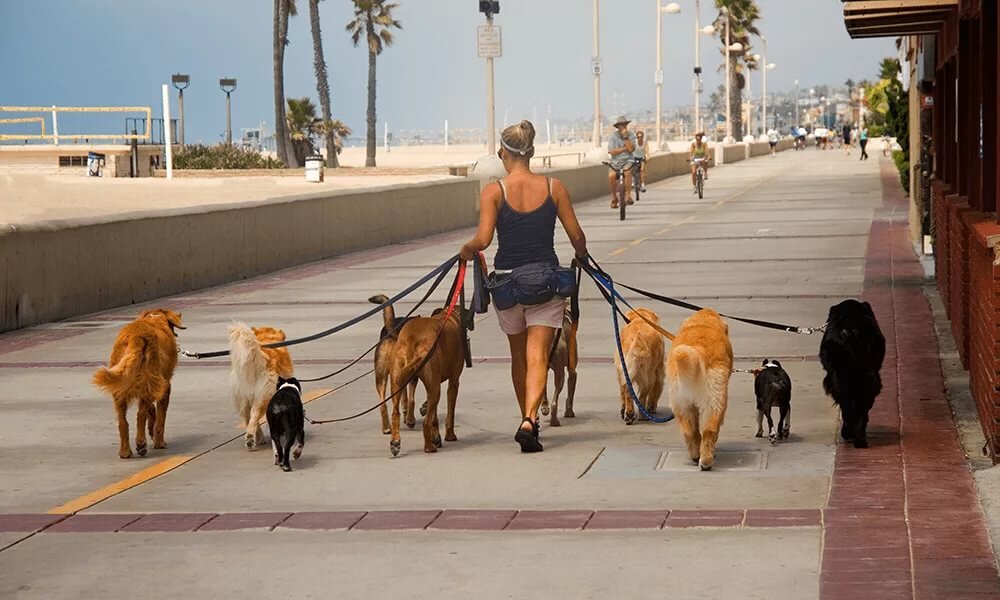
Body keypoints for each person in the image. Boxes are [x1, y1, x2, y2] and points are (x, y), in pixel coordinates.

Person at [459, 120, 588, 453]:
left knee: (518, 356)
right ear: (531, 152)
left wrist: (467, 249)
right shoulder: (554, 187)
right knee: (537, 356)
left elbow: (484, 239)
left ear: (504, 153)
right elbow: (576, 236)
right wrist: (583, 256)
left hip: (507, 285)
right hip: (545, 281)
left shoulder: (494, 191)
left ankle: (526, 418)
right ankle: (531, 419)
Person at [607, 115, 637, 208]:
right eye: (621, 125)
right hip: (615, 162)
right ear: (617, 126)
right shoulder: (613, 137)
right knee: (611, 176)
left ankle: (628, 195)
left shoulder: (631, 135)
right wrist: (625, 148)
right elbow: (612, 151)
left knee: (627, 172)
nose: (623, 126)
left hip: (628, 160)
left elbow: (631, 149)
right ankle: (614, 198)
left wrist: (625, 137)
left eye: (625, 124)